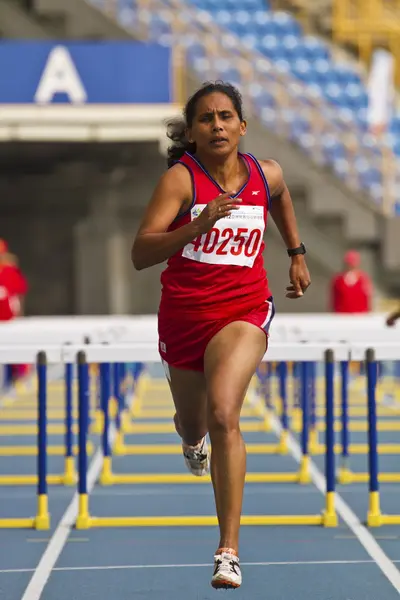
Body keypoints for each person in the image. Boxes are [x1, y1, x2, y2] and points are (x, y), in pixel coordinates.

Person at [131, 81, 310, 590]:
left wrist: (296, 253)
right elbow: (141, 254)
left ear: (242, 126)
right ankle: (191, 440)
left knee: (225, 412)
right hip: (185, 318)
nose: (217, 125)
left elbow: (280, 196)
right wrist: (197, 224)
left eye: (226, 116)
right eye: (206, 118)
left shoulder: (263, 172)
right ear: (192, 132)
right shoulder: (181, 182)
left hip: (244, 311)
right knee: (194, 424)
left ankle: (227, 549)